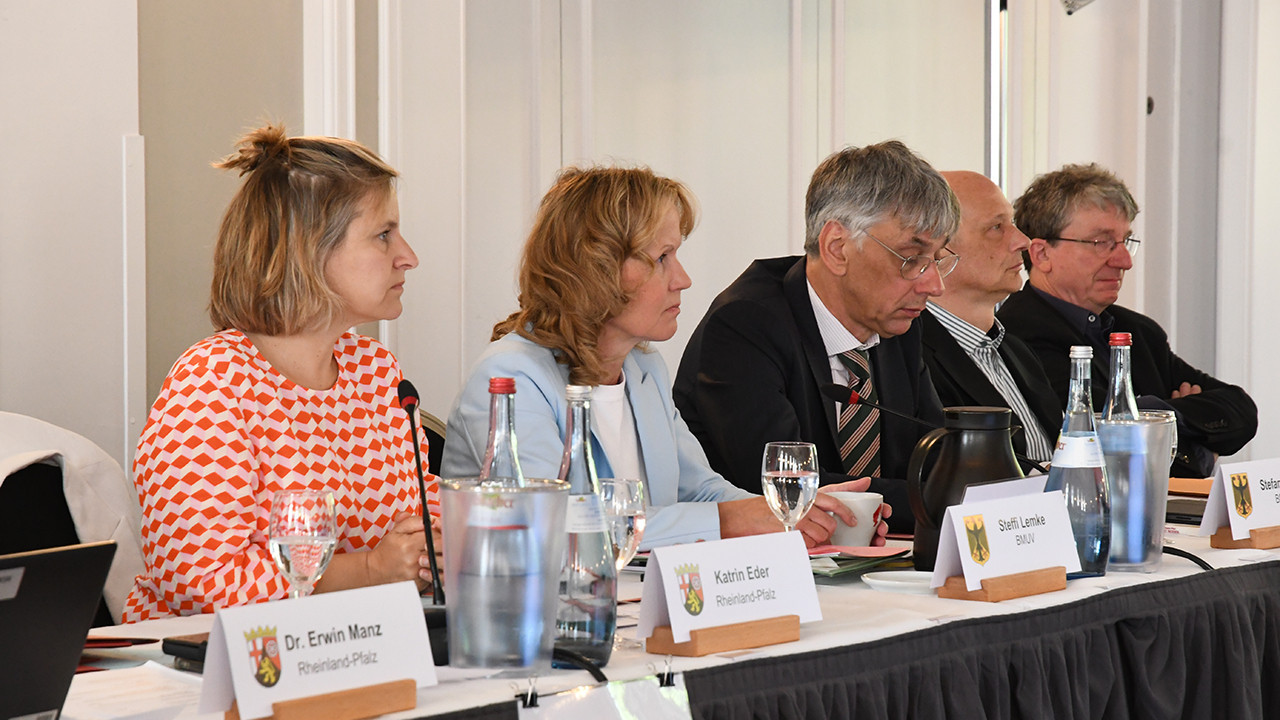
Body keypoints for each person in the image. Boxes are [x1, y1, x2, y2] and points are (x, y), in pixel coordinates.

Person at [442, 166, 885, 549]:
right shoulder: (508, 380)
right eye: (662, 257)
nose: (683, 279)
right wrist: (733, 521)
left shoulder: (642, 370)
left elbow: (702, 492)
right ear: (595, 269)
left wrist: (801, 515)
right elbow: (551, 529)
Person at [124, 125, 437, 621]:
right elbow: (202, 583)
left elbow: (420, 517)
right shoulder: (212, 383)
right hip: (207, 674)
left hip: (359, 650)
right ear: (308, 253)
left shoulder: (377, 370)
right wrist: (371, 569)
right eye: (383, 235)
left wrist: (440, 541)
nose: (408, 257)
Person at [674, 141, 955, 533]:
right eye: (912, 259)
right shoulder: (745, 324)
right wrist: (930, 496)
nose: (934, 285)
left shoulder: (898, 325)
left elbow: (940, 464)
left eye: (938, 259)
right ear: (837, 248)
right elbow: (784, 490)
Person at [997, 163, 1257, 477]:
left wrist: (1152, 417)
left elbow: (1241, 410)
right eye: (1101, 243)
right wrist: (1196, 444)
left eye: (1125, 241)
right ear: (1041, 254)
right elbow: (1101, 452)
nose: (1124, 261)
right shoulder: (1015, 338)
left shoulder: (1139, 332)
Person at [921, 171, 1061, 468]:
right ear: (939, 249)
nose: (1022, 241)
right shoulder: (911, 355)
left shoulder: (1018, 351)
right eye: (997, 227)